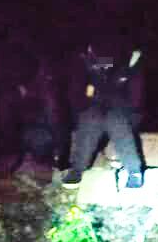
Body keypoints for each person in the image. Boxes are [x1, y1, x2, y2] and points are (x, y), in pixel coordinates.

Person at [61, 32, 146, 189]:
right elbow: (77, 93)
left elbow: (136, 98)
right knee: (90, 119)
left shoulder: (131, 61)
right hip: (94, 109)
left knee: (116, 121)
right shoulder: (85, 61)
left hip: (122, 111)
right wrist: (85, 107)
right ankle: (77, 169)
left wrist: (127, 111)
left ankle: (134, 172)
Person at [0, 31, 66, 178]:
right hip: (16, 102)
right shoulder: (3, 60)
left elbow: (56, 118)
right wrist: (16, 87)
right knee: (4, 111)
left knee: (44, 127)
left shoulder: (45, 83)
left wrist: (61, 152)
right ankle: (8, 158)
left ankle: (54, 157)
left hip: (40, 127)